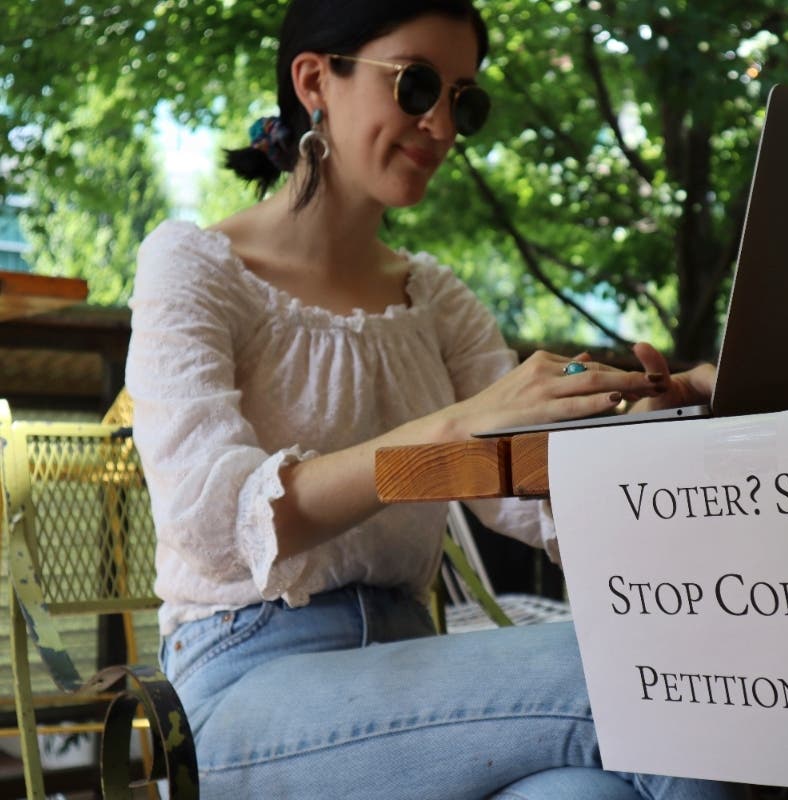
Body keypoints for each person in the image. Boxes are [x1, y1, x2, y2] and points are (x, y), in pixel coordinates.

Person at [126, 1, 732, 797]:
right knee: (657, 674)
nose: (442, 126)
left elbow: (524, 496)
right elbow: (213, 523)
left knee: (589, 793)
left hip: (413, 667)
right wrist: (452, 426)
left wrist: (649, 419)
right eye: (416, 86)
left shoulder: (434, 298)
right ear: (315, 78)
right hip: (242, 687)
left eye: (463, 100)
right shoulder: (192, 267)